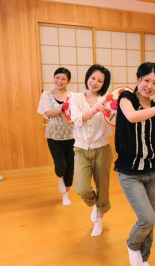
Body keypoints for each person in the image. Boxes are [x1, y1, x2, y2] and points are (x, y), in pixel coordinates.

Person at [114, 62, 155, 266]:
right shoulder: (126, 98)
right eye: (146, 80)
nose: (149, 86)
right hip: (129, 173)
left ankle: (145, 259)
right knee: (147, 219)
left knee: (151, 220)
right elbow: (133, 117)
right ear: (138, 79)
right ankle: (132, 245)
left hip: (153, 172)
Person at [70, 64, 112, 237]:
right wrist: (94, 109)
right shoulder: (76, 97)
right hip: (80, 148)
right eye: (93, 78)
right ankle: (95, 204)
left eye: (100, 80)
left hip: (102, 148)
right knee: (81, 188)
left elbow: (116, 118)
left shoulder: (107, 100)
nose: (95, 82)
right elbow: (76, 119)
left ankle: (100, 220)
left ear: (104, 84)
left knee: (103, 187)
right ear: (87, 77)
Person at [37, 67, 74, 206]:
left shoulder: (73, 96)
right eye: (57, 78)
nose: (59, 81)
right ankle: (60, 178)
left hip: (71, 135)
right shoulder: (46, 95)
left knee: (70, 166)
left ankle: (66, 194)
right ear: (53, 78)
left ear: (68, 81)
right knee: (61, 165)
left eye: (63, 79)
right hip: (53, 135)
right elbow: (48, 112)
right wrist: (63, 108)